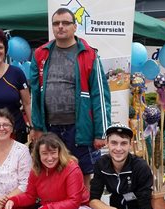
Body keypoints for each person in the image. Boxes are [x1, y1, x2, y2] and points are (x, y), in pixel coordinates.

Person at [30, 7, 111, 189]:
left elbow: (100, 95)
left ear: (74, 27)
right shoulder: (41, 54)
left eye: (65, 23)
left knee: (83, 173)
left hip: (80, 128)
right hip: (51, 127)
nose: (60, 27)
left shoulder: (89, 54)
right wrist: (37, 126)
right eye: (56, 23)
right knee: (53, 173)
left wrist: (101, 133)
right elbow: (35, 93)